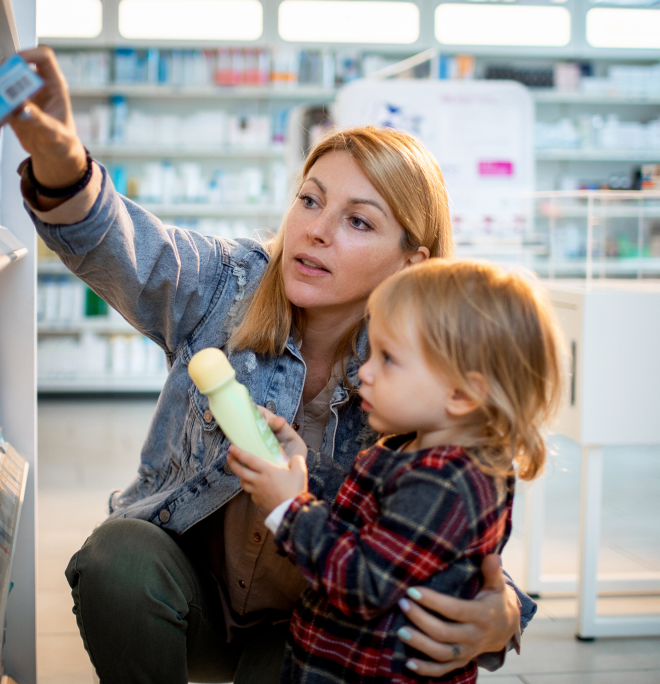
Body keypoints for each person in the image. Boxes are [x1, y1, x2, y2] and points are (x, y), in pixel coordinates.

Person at [10, 46, 535, 684]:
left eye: (359, 222)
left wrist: (505, 609)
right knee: (117, 560)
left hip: (310, 627)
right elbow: (128, 252)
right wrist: (63, 163)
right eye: (309, 201)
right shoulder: (231, 282)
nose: (315, 231)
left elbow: (449, 519)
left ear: (413, 262)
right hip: (187, 593)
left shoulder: (422, 375)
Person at [228, 259, 564, 683]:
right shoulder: (414, 448)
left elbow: (365, 582)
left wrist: (289, 509)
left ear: (462, 393)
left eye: (388, 360)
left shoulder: (447, 482)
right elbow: (369, 522)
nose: (364, 372)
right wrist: (304, 465)